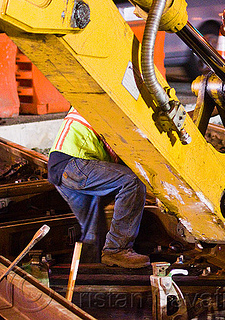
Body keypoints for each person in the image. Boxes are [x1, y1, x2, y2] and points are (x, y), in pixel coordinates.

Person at [47, 107, 150, 269]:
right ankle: (117, 249)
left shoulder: (95, 100)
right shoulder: (117, 105)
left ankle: (89, 274)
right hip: (76, 163)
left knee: (93, 233)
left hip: (60, 169)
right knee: (132, 182)